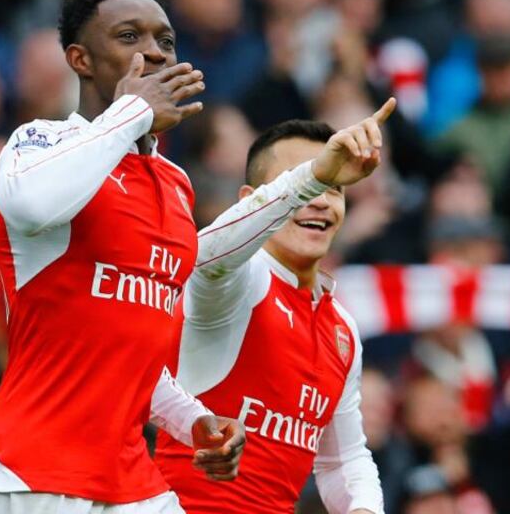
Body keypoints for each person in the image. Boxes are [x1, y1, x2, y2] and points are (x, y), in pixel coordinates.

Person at [0, 0, 245, 514]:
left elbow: (129, 348)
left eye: (165, 40)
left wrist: (192, 420)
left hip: (133, 479)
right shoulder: (39, 143)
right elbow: (31, 205)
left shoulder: (177, 184)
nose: (156, 53)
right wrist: (132, 111)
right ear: (80, 60)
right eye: (129, 36)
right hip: (30, 473)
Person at [155, 107, 395, 514]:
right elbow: (207, 257)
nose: (320, 200)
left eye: (335, 187)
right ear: (253, 202)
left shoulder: (342, 328)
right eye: (307, 183)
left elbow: (343, 459)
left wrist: (364, 509)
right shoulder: (238, 282)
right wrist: (313, 177)